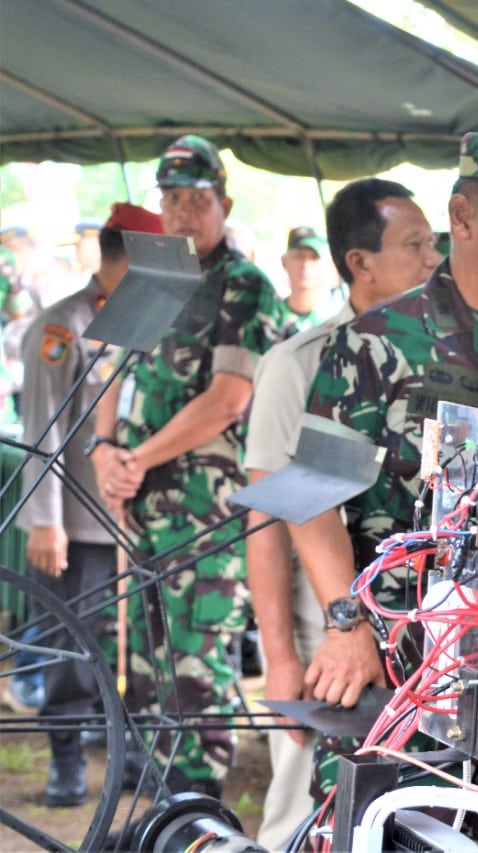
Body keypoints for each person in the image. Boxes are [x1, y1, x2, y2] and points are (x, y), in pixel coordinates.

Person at [289, 132, 478, 846]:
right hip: (394, 672)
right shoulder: (378, 341)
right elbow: (310, 496)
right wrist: (345, 622)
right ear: (465, 216)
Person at [244, 178, 442, 850]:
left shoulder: (442, 358)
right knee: (304, 815)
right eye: (414, 245)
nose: (432, 258)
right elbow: (270, 520)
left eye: (434, 242)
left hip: (420, 644)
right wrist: (277, 657)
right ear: (360, 262)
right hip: (326, 642)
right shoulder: (297, 365)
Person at [91, 134, 285, 799]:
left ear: (223, 203)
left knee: (196, 669)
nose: (182, 213)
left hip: (207, 518)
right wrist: (101, 450)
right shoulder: (154, 274)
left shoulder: (245, 285)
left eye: (197, 200)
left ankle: (200, 818)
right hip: (142, 507)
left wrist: (134, 458)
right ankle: (164, 814)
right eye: (171, 199)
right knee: (146, 669)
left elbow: (229, 399)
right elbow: (110, 370)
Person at [17, 203, 165, 806]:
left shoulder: (152, 321)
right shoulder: (64, 325)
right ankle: (66, 759)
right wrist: (45, 521)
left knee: (139, 646)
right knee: (70, 644)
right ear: (127, 256)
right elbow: (42, 431)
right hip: (75, 524)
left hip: (137, 521)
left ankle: (131, 755)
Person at [274, 225, 341, 336]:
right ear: (284, 262)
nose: (305, 265)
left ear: (329, 265)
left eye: (314, 257)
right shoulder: (270, 317)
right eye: (299, 256)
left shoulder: (339, 318)